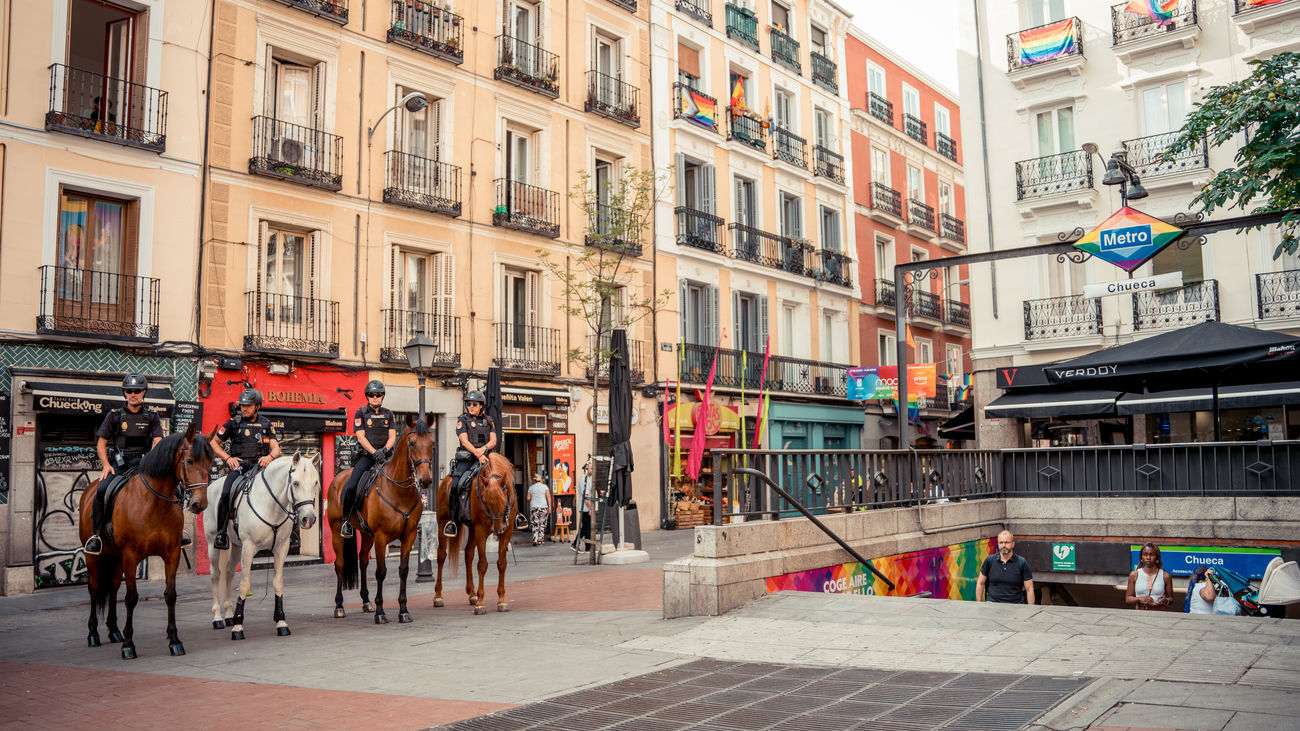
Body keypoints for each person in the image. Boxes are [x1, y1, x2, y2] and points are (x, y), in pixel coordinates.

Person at [83, 374, 164, 555]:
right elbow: (101, 443)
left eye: (137, 391)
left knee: (175, 488)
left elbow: (158, 440)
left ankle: (175, 531)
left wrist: (152, 459)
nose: (133, 394)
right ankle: (96, 536)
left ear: (144, 392)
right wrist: (105, 465)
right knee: (102, 490)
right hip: (120, 465)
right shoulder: (114, 416)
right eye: (129, 391)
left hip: (144, 465)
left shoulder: (152, 416)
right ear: (124, 393)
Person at [209, 388, 281, 550]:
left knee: (282, 491)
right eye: (242, 406)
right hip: (239, 468)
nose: (244, 408)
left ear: (257, 406)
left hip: (260, 467)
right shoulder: (233, 423)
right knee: (226, 493)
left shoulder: (266, 423)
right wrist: (228, 458)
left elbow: (276, 448)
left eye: (248, 406)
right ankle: (221, 534)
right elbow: (213, 443)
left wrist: (269, 457)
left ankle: (290, 533)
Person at [338, 380, 396, 538]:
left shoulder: (389, 414)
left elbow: (392, 436)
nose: (375, 397)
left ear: (382, 396)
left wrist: (384, 450)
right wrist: (374, 452)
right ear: (367, 396)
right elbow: (360, 437)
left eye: (378, 394)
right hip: (366, 457)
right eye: (371, 395)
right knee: (351, 486)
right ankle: (346, 521)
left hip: (386, 457)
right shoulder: (361, 412)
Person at [443, 391, 496, 538]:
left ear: (481, 406)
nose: (470, 406)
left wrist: (484, 449)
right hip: (466, 460)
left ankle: (512, 516)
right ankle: (452, 521)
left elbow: (493, 441)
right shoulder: (462, 420)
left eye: (474, 404)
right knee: (455, 485)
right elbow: (464, 441)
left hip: (485, 459)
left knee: (502, 480)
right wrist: (478, 454)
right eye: (468, 404)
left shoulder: (489, 420)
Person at [976, 530, 1035, 604]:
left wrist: (1031, 610)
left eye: (1007, 542)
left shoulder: (1021, 562)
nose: (1003, 545)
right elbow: (980, 583)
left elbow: (1029, 589)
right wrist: (978, 605)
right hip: (992, 605)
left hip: (1015, 606)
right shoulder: (989, 560)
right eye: (1001, 542)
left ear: (1013, 544)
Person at [1126, 542, 1173, 610]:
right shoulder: (1134, 575)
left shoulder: (1165, 576)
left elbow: (1171, 599)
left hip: (1160, 613)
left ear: (1157, 557)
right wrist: (1141, 599)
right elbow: (1128, 599)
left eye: (1151, 555)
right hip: (1141, 613)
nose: (1148, 557)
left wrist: (1167, 600)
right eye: (1145, 554)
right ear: (1141, 557)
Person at [571, 460, 596, 552]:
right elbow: (586, 497)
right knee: (586, 528)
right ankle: (575, 544)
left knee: (587, 528)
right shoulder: (584, 479)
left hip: (586, 508)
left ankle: (588, 547)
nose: (592, 470)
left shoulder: (588, 479)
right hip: (585, 508)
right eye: (591, 468)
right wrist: (590, 508)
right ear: (586, 469)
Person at [526, 472, 552, 546]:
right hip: (543, 507)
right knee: (542, 524)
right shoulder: (545, 487)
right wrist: (549, 507)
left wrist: (532, 496)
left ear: (535, 480)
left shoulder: (531, 488)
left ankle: (535, 539)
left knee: (535, 524)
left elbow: (528, 498)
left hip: (534, 507)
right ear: (541, 480)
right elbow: (548, 497)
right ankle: (541, 540)